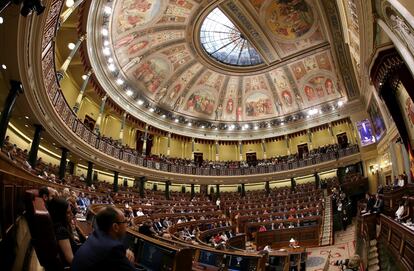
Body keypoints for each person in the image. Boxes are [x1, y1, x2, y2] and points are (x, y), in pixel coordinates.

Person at [72, 206, 135, 271]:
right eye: (125, 222)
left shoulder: (95, 236)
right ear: (115, 227)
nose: (126, 225)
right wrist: (129, 261)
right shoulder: (113, 248)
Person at [48, 197, 79, 267]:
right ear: (59, 214)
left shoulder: (58, 225)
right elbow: (71, 260)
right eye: (68, 212)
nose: (72, 214)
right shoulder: (61, 230)